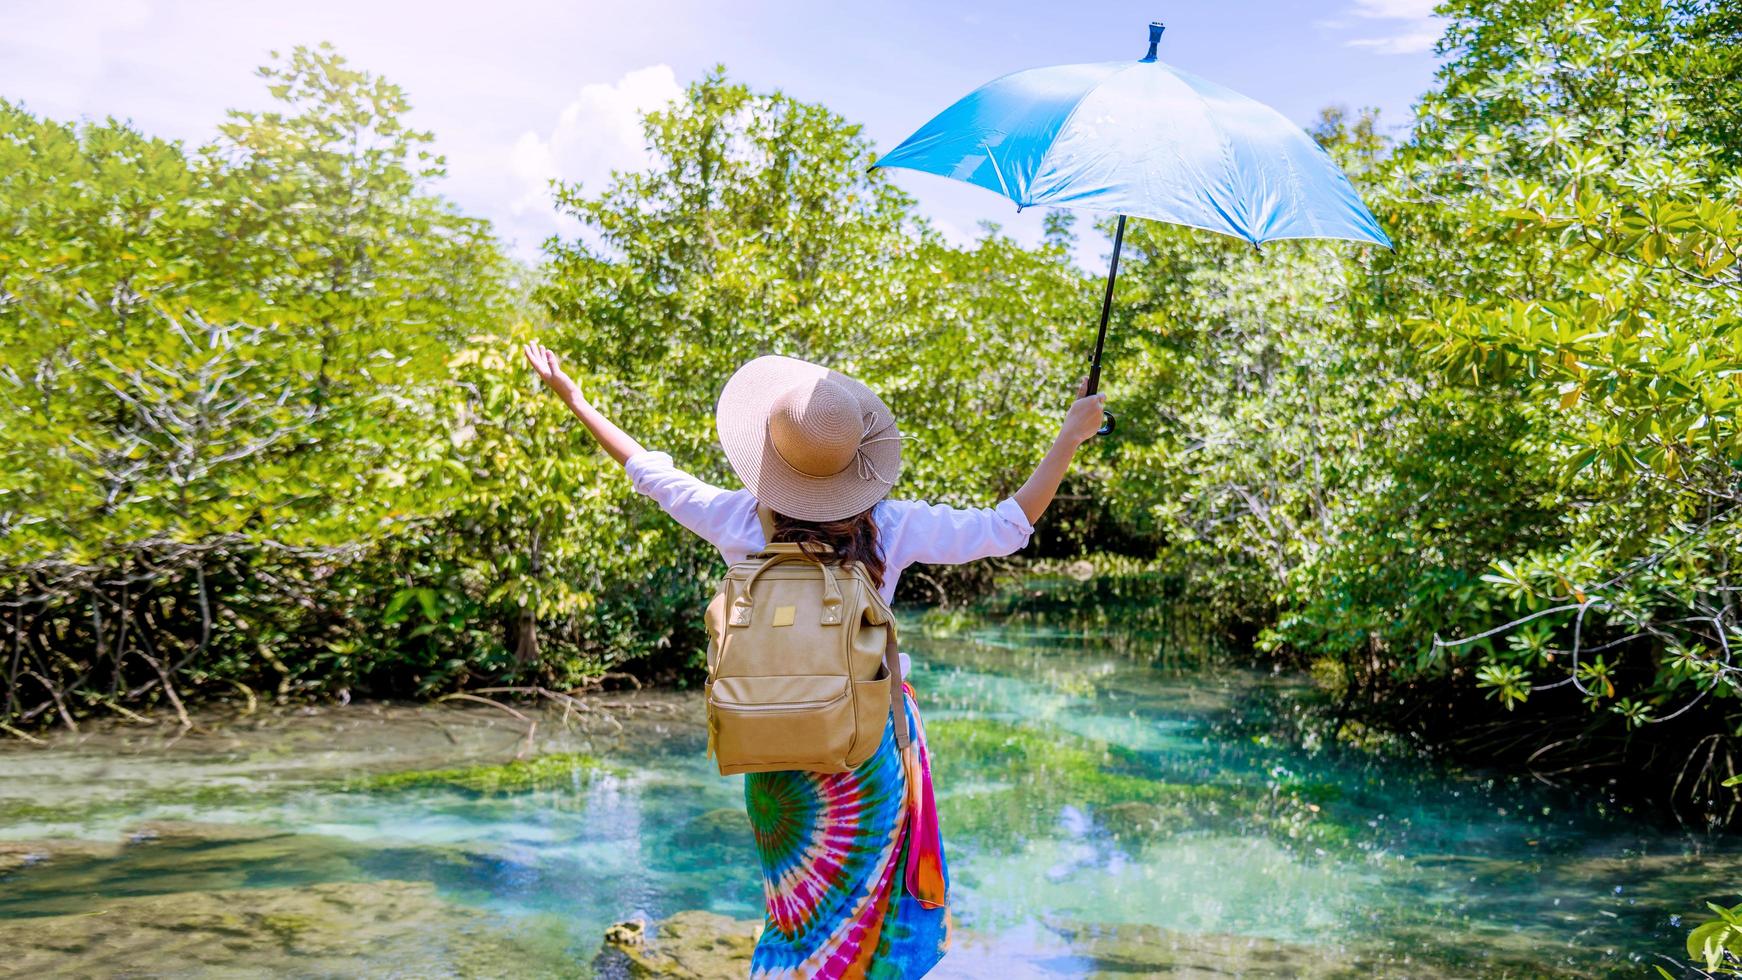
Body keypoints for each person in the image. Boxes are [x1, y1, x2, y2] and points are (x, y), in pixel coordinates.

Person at [524, 342, 1105, 978]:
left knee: (794, 912)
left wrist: (575, 400)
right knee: (865, 914)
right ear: (858, 462)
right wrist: (1071, 434)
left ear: (770, 459)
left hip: (771, 747)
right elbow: (1008, 526)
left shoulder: (737, 519)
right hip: (864, 747)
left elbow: (648, 470)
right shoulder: (891, 526)